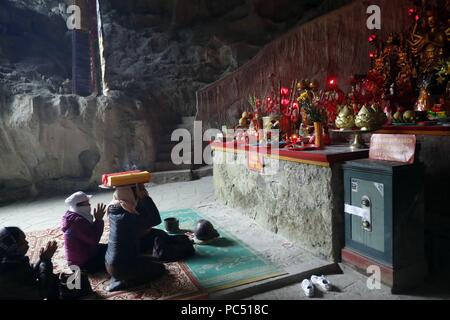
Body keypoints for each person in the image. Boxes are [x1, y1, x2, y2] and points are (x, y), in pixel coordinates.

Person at [105, 186, 166, 292]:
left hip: (109, 263)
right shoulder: (128, 215)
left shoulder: (112, 208)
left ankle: (118, 277)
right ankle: (126, 282)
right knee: (160, 268)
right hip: (121, 267)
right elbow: (156, 220)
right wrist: (145, 198)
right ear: (131, 197)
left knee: (154, 259)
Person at [0, 227, 59, 300]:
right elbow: (41, 293)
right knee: (52, 281)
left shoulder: (10, 261)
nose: (27, 243)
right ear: (13, 245)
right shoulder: (6, 274)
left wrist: (42, 259)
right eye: (23, 241)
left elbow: (29, 273)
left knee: (52, 277)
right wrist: (46, 260)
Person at [61, 191, 107, 274]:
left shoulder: (71, 216)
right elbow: (94, 240)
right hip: (82, 265)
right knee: (115, 254)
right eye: (87, 204)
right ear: (78, 206)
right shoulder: (78, 222)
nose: (89, 206)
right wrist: (98, 220)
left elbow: (89, 234)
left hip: (80, 258)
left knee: (111, 248)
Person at [134, 184, 168, 253]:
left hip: (124, 243)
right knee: (162, 236)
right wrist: (145, 198)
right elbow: (156, 221)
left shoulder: (116, 203)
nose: (144, 189)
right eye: (142, 187)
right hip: (136, 242)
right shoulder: (137, 202)